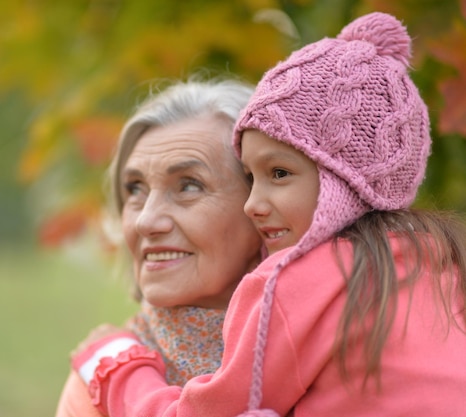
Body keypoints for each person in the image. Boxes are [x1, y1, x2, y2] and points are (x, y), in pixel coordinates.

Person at [71, 12, 466, 417]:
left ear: (344, 181)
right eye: (134, 189)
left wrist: (113, 362)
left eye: (278, 174)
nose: (253, 204)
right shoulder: (434, 260)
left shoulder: (292, 286)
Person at [55, 78, 263, 416]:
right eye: (135, 189)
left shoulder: (332, 352)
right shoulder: (96, 383)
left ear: (262, 207)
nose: (146, 221)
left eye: (189, 185)